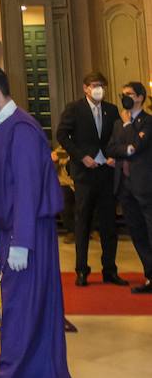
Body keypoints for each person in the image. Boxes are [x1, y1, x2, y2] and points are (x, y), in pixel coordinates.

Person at [0, 66, 75, 378]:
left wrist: (22, 242)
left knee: (19, 306)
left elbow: (27, 189)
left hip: (23, 230)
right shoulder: (4, 128)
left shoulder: (22, 131)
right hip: (17, 228)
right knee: (41, 304)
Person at [56, 72, 126, 287]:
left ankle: (110, 269)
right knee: (83, 223)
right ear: (85, 88)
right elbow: (62, 135)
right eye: (95, 85)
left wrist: (114, 155)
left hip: (106, 172)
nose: (99, 89)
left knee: (108, 224)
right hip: (85, 173)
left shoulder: (112, 110)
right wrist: (81, 156)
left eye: (102, 85)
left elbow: (117, 138)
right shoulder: (75, 109)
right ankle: (81, 270)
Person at [107, 82, 152, 295]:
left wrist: (128, 131)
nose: (125, 98)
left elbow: (139, 146)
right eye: (122, 94)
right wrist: (128, 147)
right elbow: (112, 148)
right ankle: (150, 275)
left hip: (144, 186)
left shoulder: (148, 122)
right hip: (124, 187)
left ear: (141, 97)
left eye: (130, 95)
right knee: (137, 232)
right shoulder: (118, 123)